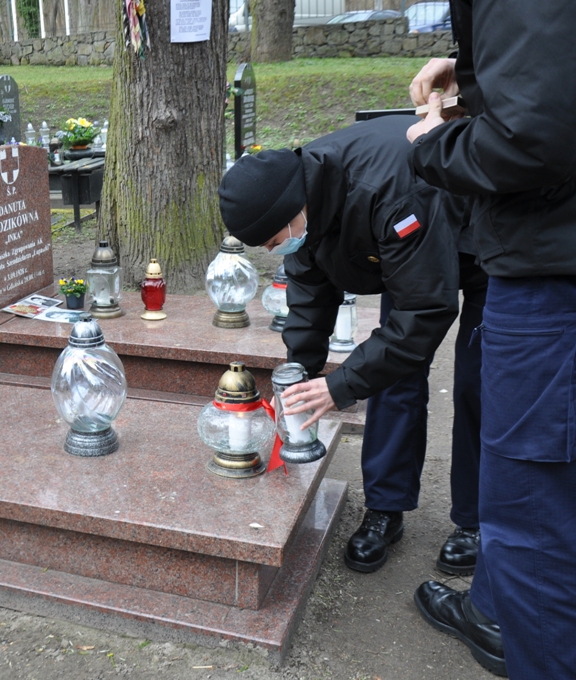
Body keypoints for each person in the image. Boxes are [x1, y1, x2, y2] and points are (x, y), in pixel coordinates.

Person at [217, 114, 487, 578]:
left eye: (274, 241)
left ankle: (476, 520)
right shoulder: (299, 193)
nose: (272, 251)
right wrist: (299, 370)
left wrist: (340, 386)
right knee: (393, 377)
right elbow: (308, 293)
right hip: (410, 260)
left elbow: (423, 311)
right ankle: (385, 508)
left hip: (483, 245)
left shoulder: (389, 191)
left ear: (293, 211)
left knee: (479, 384)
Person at [406, 2, 576, 678]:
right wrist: (481, 75)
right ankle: (489, 603)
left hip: (550, 277)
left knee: (534, 523)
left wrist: (433, 144)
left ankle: (512, 619)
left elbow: (534, 136)